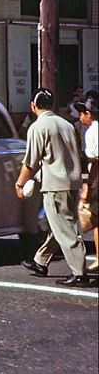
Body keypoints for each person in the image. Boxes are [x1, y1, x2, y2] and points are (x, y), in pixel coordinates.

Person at [15, 88, 88, 286]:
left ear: (33, 106)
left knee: (64, 228)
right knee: (60, 225)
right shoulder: (67, 124)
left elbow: (30, 161)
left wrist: (20, 183)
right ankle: (41, 261)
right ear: (52, 105)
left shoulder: (38, 127)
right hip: (73, 181)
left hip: (55, 184)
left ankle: (79, 271)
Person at [76, 101, 98, 272]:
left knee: (97, 220)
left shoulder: (92, 132)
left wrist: (88, 186)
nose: (80, 117)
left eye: (82, 113)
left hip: (97, 177)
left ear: (89, 114)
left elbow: (95, 161)